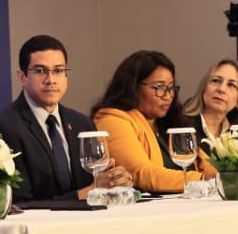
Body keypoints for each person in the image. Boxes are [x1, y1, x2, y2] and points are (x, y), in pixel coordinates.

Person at [0, 35, 132, 203]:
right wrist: (91, 191)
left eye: (58, 71)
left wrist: (114, 181)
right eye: (40, 71)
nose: (51, 80)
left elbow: (97, 183)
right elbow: (20, 204)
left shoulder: (82, 124)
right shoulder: (4, 128)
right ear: (22, 77)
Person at [91, 50, 216, 193]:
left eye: (171, 88)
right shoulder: (112, 120)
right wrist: (202, 179)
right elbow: (140, 173)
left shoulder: (170, 121)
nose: (168, 96)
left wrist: (224, 176)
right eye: (159, 87)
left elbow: (207, 166)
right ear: (133, 86)